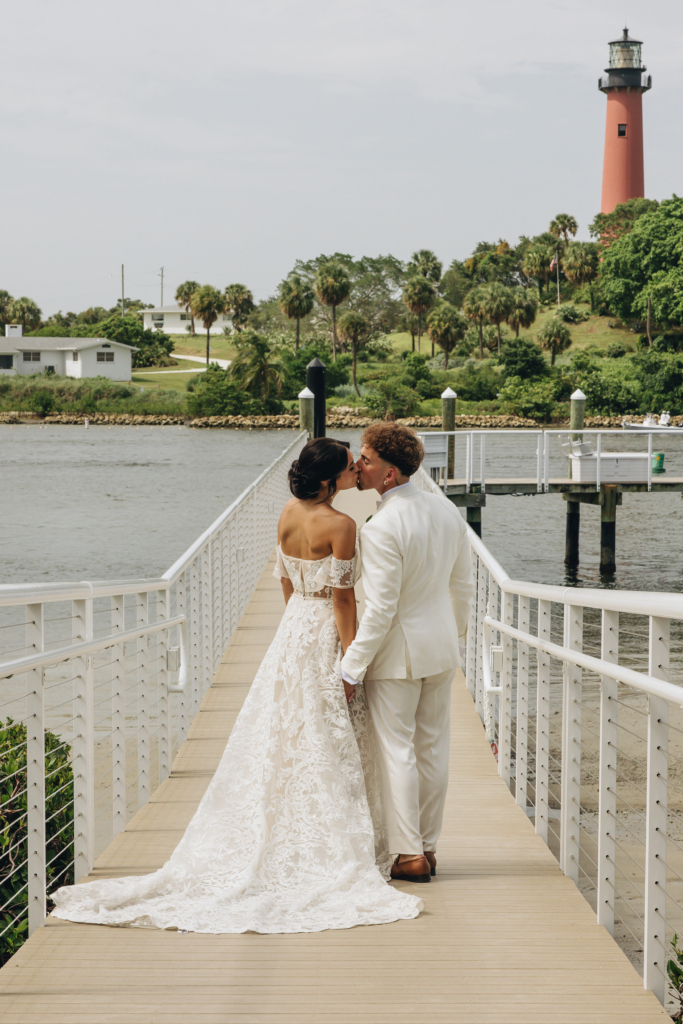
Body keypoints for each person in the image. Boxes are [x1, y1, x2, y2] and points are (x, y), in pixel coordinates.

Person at [51, 437, 423, 934]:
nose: (358, 469)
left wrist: (298, 618)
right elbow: (343, 602)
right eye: (350, 467)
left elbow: (286, 580)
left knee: (285, 724)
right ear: (333, 480)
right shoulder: (342, 525)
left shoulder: (288, 512)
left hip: (293, 627)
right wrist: (351, 658)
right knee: (326, 728)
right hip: (323, 632)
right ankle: (327, 837)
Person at [341, 423, 473, 884]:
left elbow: (380, 609)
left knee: (397, 750)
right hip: (440, 648)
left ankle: (409, 854)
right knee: (433, 749)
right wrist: (452, 634)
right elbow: (463, 587)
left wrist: (351, 666)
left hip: (397, 654)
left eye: (367, 458)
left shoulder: (379, 527)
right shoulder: (446, 509)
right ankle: (430, 847)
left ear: (390, 474)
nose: (359, 465)